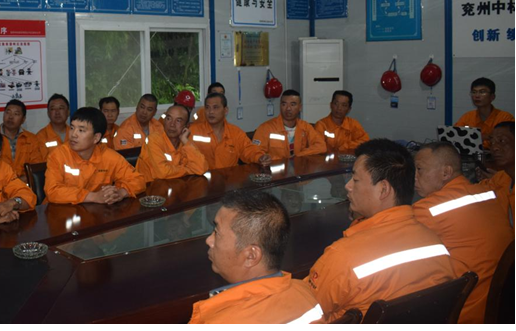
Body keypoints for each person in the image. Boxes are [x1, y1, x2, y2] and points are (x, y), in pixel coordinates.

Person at [305, 139, 456, 323]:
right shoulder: (437, 246)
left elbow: (300, 311)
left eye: (356, 180)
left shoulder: (342, 257)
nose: (348, 186)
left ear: (383, 189)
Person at [412, 142, 512, 323]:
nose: (414, 177)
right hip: (501, 304)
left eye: (419, 169)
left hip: (463, 311)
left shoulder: (427, 209)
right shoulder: (491, 194)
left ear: (446, 172)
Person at [189, 189, 321, 324]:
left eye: (217, 232)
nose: (209, 241)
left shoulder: (220, 321)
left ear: (251, 256)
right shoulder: (304, 292)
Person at [45, 107, 146, 204]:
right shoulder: (58, 155)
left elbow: (139, 180)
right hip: (60, 211)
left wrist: (120, 193)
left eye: (81, 130)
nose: (73, 134)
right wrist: (93, 196)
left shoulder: (108, 156)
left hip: (95, 211)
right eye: (72, 128)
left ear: (96, 138)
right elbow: (52, 191)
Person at [189, 92, 272, 169]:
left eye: (215, 107)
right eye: (207, 108)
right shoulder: (193, 131)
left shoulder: (235, 133)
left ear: (225, 110)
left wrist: (260, 157)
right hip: (202, 177)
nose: (210, 112)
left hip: (229, 178)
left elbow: (248, 150)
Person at [136, 104, 207, 182]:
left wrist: (185, 141)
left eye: (178, 120)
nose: (172, 124)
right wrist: (188, 170)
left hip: (174, 185)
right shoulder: (153, 139)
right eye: (169, 118)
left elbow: (202, 168)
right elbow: (163, 173)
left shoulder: (185, 141)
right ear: (164, 121)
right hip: (149, 187)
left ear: (186, 126)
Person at [253, 90, 326, 160]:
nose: (288, 108)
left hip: (299, 167)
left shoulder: (305, 127)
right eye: (284, 104)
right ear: (280, 106)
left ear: (300, 107)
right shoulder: (265, 128)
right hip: (274, 167)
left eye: (293, 104)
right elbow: (254, 152)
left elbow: (321, 147)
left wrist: (299, 155)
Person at [455, 78, 513, 148]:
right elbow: (456, 137)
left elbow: (509, 143)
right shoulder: (467, 117)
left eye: (482, 92)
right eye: (474, 92)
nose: (477, 96)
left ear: (492, 96)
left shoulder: (505, 118)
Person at [479, 121, 515, 226]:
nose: (494, 148)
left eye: (501, 141)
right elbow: (472, 191)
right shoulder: (501, 177)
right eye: (492, 142)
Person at [0, 99, 46, 177]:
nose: (10, 117)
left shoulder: (32, 139)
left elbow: (36, 169)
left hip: (25, 183)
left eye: (16, 114)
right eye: (8, 112)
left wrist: (19, 182)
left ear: (23, 119)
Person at [36, 94, 70, 159]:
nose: (57, 112)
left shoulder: (75, 134)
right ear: (48, 113)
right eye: (53, 109)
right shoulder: (40, 137)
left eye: (61, 108)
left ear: (68, 112)